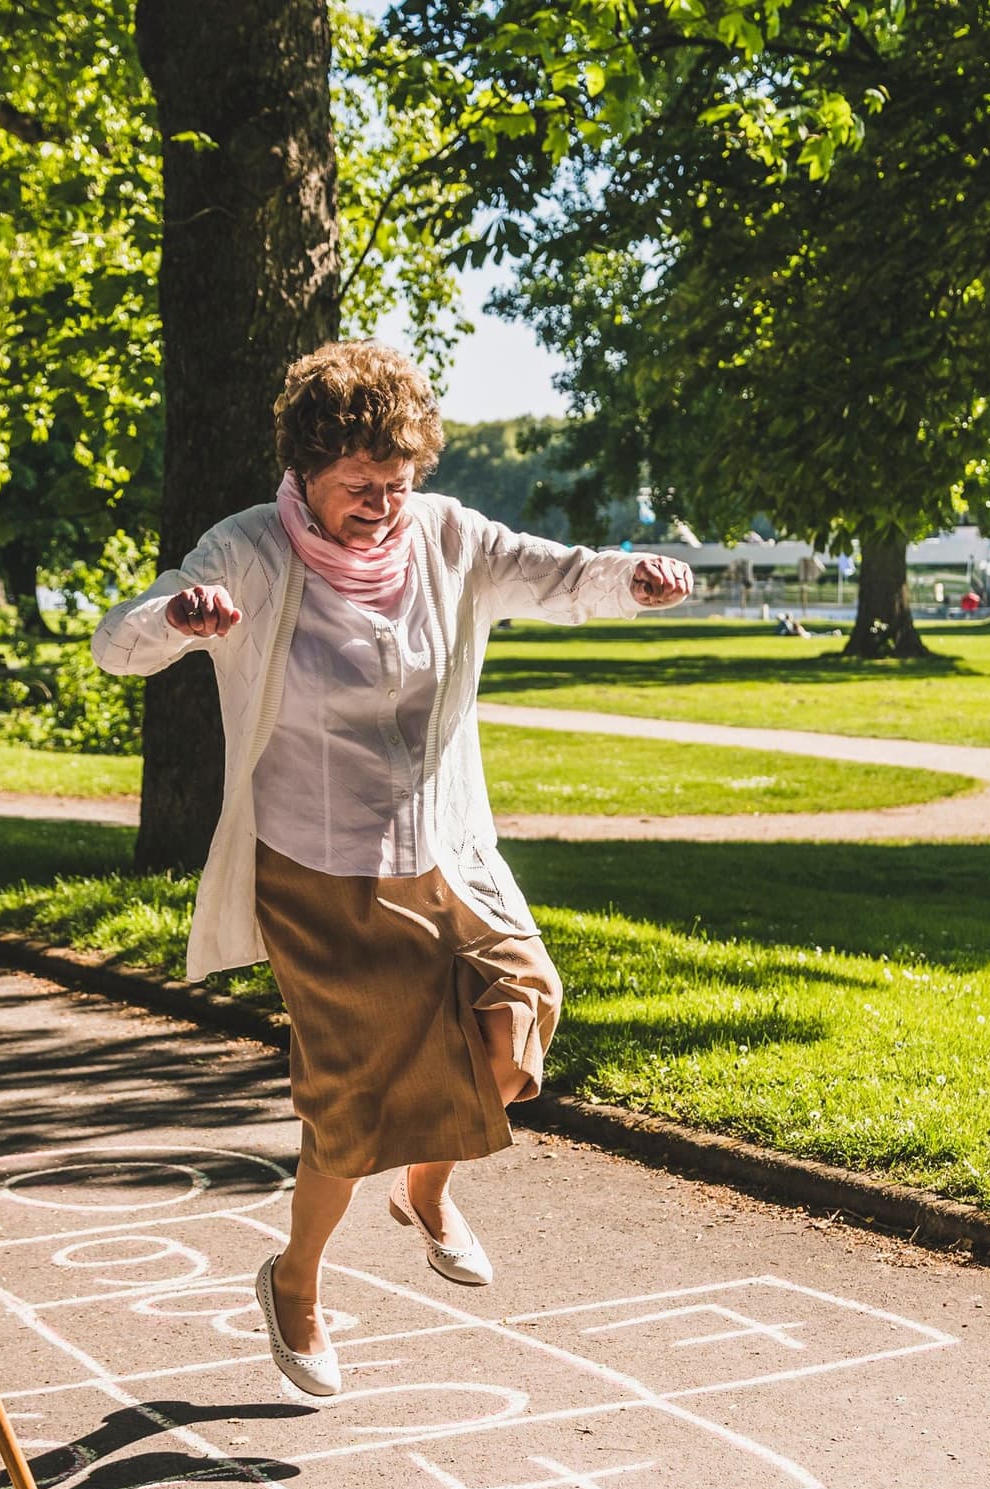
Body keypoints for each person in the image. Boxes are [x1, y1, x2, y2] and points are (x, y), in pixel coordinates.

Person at [92, 340, 691, 1399]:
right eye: (359, 487)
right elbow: (119, 642)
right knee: (353, 1104)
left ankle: (425, 1190)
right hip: (318, 870)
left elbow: (557, 575)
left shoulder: (449, 537)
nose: (383, 506)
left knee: (520, 1021)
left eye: (399, 484)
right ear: (306, 470)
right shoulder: (249, 553)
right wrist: (179, 620)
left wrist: (630, 580)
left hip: (445, 845)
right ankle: (296, 1280)